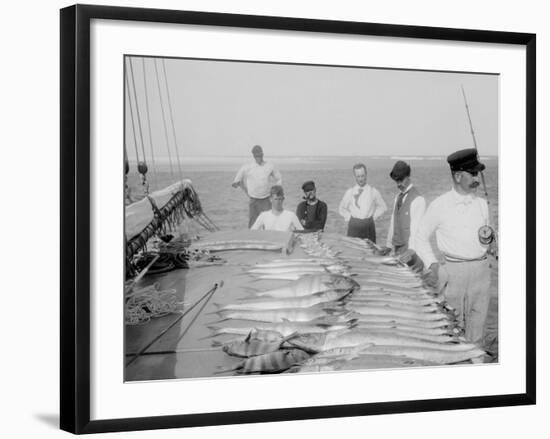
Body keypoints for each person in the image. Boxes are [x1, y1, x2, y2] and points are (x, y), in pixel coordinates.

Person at [415, 148, 492, 345]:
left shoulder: (483, 205)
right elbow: (420, 238)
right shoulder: (440, 205)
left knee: (478, 330)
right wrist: (433, 265)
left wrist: (492, 241)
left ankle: (478, 366)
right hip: (453, 272)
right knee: (451, 329)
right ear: (458, 176)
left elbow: (488, 239)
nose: (477, 177)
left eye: (477, 173)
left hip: (482, 272)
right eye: (472, 173)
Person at [385, 161, 426, 271]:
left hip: (412, 253)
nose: (398, 184)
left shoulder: (418, 200)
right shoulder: (397, 197)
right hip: (398, 252)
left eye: (401, 180)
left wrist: (411, 251)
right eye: (396, 181)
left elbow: (416, 230)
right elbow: (393, 223)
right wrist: (389, 246)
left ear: (408, 177)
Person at [232, 145, 283, 228]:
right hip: (253, 200)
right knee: (252, 223)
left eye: (259, 154)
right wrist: (245, 190)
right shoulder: (247, 166)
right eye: (256, 155)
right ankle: (251, 238)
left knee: (268, 222)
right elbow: (236, 182)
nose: (258, 157)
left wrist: (276, 191)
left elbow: (279, 178)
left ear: (262, 154)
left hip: (266, 199)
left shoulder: (269, 165)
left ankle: (268, 237)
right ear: (253, 156)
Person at [338, 163, 387, 242]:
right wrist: (349, 218)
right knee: (353, 251)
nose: (361, 179)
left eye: (362, 176)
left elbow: (383, 207)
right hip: (354, 226)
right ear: (355, 176)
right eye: (358, 176)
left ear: (366, 175)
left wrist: (373, 217)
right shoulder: (350, 192)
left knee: (370, 252)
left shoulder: (373, 191)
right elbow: (342, 208)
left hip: (368, 226)